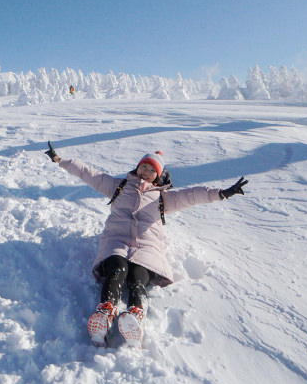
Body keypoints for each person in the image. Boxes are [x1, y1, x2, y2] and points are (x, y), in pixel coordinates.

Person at [44, 142, 248, 347]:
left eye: (152, 170)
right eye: (144, 167)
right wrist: (62, 161)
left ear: (158, 176)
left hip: (148, 247)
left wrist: (220, 193)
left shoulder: (163, 198)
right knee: (117, 269)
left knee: (137, 277)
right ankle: (105, 313)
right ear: (137, 167)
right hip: (116, 240)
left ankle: (135, 317)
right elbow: (90, 174)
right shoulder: (119, 186)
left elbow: (190, 196)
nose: (146, 172)